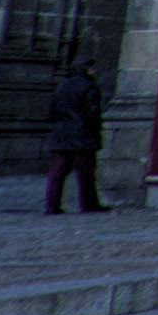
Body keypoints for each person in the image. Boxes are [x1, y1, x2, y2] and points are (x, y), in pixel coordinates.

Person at [45, 50, 107, 214]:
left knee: (57, 171)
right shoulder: (89, 86)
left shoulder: (61, 86)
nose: (95, 71)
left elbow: (51, 111)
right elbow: (93, 112)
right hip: (82, 133)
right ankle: (88, 204)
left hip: (61, 133)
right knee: (85, 171)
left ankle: (52, 205)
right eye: (92, 68)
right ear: (87, 69)